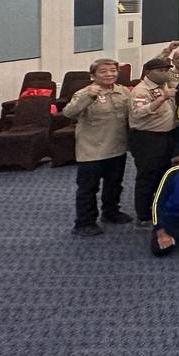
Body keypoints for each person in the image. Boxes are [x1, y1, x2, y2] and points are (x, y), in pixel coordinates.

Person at [64, 58, 133, 237]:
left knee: (114, 184)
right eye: (103, 71)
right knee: (88, 188)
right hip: (91, 150)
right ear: (93, 75)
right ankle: (84, 222)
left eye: (113, 71)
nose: (109, 74)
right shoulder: (84, 93)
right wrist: (89, 97)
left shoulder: (123, 91)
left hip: (117, 147)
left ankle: (111, 212)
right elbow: (69, 113)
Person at [128, 57, 177, 230]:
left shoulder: (163, 85)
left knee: (162, 175)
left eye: (166, 70)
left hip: (166, 136)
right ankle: (143, 216)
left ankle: (157, 208)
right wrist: (162, 98)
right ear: (148, 72)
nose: (165, 73)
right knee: (147, 177)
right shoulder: (141, 90)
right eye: (160, 71)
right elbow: (138, 113)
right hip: (147, 138)